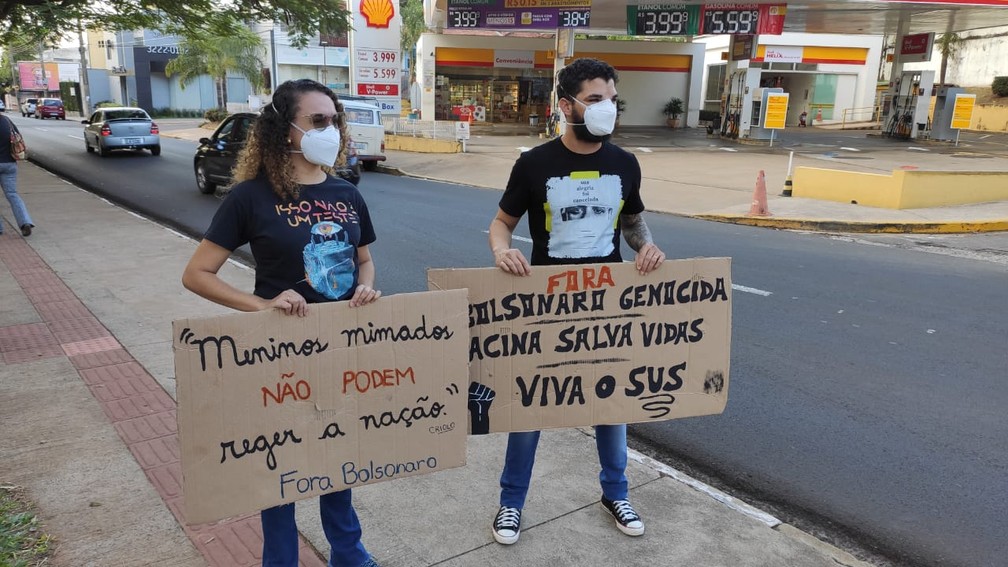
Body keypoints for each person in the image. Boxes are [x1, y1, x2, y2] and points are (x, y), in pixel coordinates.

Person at [181, 79, 381, 567]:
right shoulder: (250, 197)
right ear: (284, 130)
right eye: (317, 121)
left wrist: (366, 287)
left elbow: (365, 261)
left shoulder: (346, 193)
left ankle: (349, 555)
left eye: (334, 120)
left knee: (339, 459)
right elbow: (197, 274)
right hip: (279, 358)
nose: (329, 130)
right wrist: (263, 306)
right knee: (282, 466)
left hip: (341, 350)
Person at [486, 58, 666, 545]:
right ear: (565, 105)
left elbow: (631, 223)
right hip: (546, 307)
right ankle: (511, 503)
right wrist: (504, 253)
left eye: (612, 99)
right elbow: (501, 224)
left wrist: (645, 246)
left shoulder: (625, 164)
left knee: (611, 401)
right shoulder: (534, 164)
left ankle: (616, 492)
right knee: (532, 406)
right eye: (594, 99)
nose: (606, 108)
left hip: (605, 302)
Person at [0, 109, 35, 237]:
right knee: (12, 194)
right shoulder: (7, 121)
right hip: (10, 164)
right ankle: (25, 222)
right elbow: (18, 137)